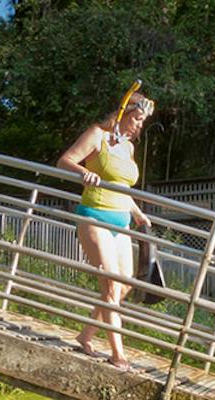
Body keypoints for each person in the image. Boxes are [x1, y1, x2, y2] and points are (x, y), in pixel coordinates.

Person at [57, 83, 155, 370]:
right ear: (124, 112)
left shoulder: (128, 147)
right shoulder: (97, 135)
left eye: (142, 122)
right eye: (137, 118)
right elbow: (65, 161)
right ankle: (118, 354)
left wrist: (138, 213)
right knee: (111, 284)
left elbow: (123, 187)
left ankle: (86, 334)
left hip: (121, 221)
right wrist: (84, 172)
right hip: (95, 216)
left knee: (123, 286)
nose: (139, 125)